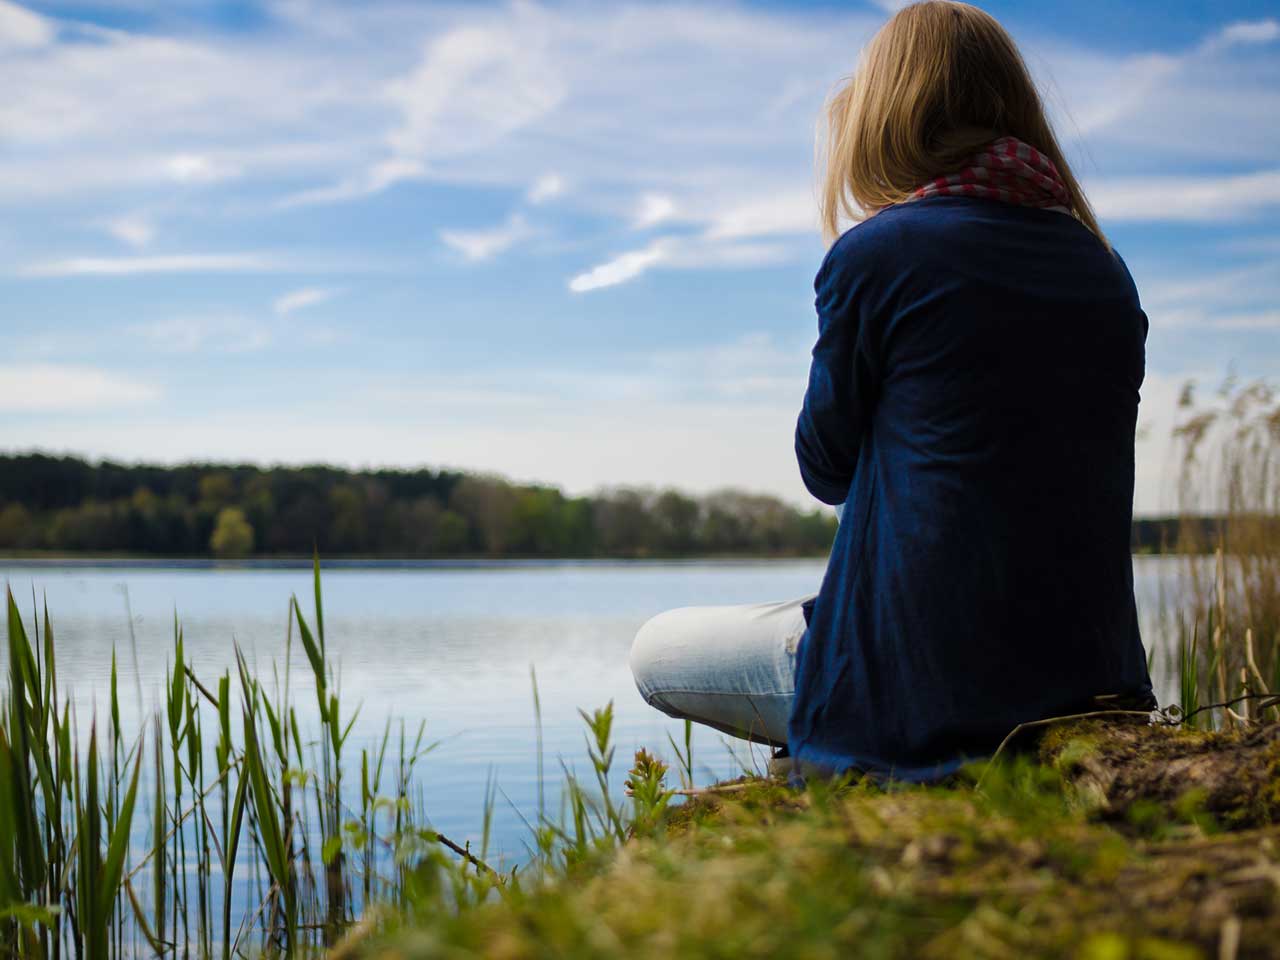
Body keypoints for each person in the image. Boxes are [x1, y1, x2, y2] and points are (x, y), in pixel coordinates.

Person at [629, 0, 1156, 781]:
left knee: (657, 650)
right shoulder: (1103, 268)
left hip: (924, 687)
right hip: (1088, 677)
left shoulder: (880, 252)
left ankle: (828, 751)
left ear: (890, 117)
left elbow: (825, 466)